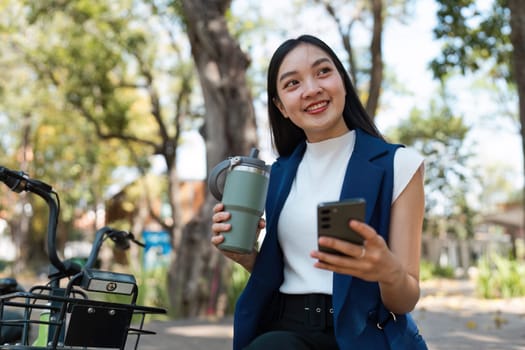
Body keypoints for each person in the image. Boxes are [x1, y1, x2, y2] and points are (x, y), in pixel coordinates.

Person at [211, 34, 428, 350]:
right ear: (280, 107)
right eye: (292, 83)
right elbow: (287, 272)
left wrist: (389, 271)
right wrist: (248, 258)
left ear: (342, 80)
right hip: (285, 332)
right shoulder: (278, 175)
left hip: (362, 334)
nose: (311, 89)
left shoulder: (399, 165)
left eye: (323, 72)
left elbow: (405, 300)